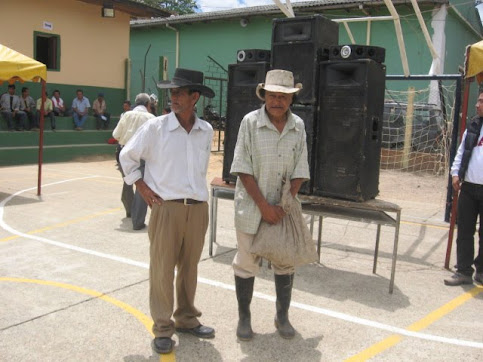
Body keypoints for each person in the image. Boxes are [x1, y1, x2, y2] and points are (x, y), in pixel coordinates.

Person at [120, 68, 215, 355]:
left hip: (198, 209)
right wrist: (141, 186)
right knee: (162, 270)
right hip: (167, 209)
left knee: (190, 268)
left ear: (194, 96)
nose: (173, 97)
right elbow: (127, 155)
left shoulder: (206, 130)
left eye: (179, 92)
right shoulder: (155, 128)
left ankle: (186, 318)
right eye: (171, 92)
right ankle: (163, 328)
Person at [230, 69, 310, 341]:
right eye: (273, 95)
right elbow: (242, 168)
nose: (277, 101)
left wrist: (284, 205)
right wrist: (264, 206)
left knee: (285, 263)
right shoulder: (249, 123)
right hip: (252, 207)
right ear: (264, 96)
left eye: (284, 97)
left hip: (283, 210)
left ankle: (282, 316)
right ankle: (244, 318)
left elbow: (300, 169)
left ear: (291, 99)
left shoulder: (298, 126)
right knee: (246, 263)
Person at [444, 92, 483, 286]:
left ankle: (481, 271)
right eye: (477, 101)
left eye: (481, 101)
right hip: (469, 187)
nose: (477, 105)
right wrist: (455, 173)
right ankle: (463, 271)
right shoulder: (474, 125)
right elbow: (461, 152)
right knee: (465, 230)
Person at [112, 93, 154, 229]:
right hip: (141, 156)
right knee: (141, 186)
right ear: (148, 105)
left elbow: (115, 135)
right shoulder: (151, 118)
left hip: (123, 153)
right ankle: (137, 221)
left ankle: (129, 211)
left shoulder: (126, 115)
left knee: (127, 182)